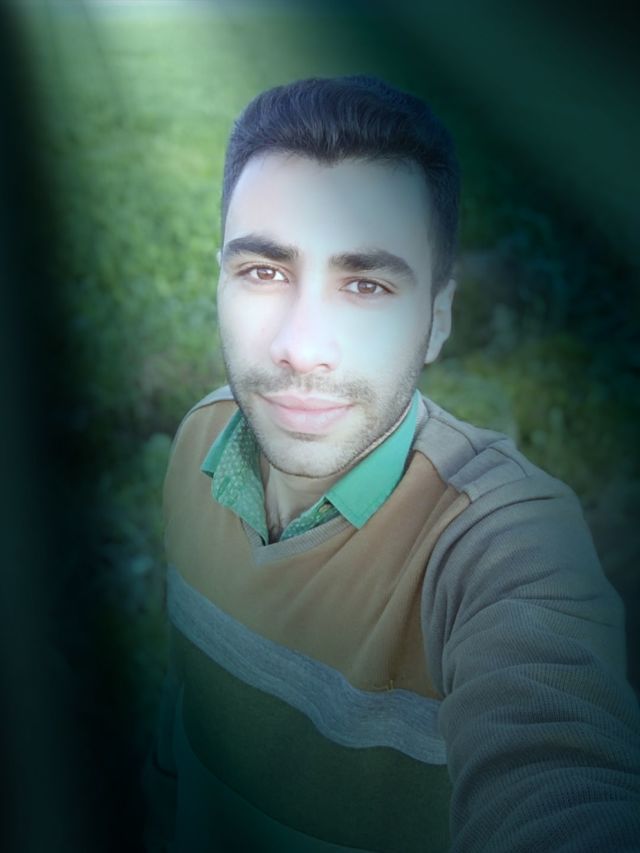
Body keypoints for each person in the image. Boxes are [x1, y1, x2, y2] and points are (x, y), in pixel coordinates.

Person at [144, 76, 640, 852]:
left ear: (437, 319)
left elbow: (559, 774)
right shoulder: (200, 439)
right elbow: (185, 717)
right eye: (263, 272)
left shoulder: (503, 544)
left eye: (367, 284)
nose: (301, 347)